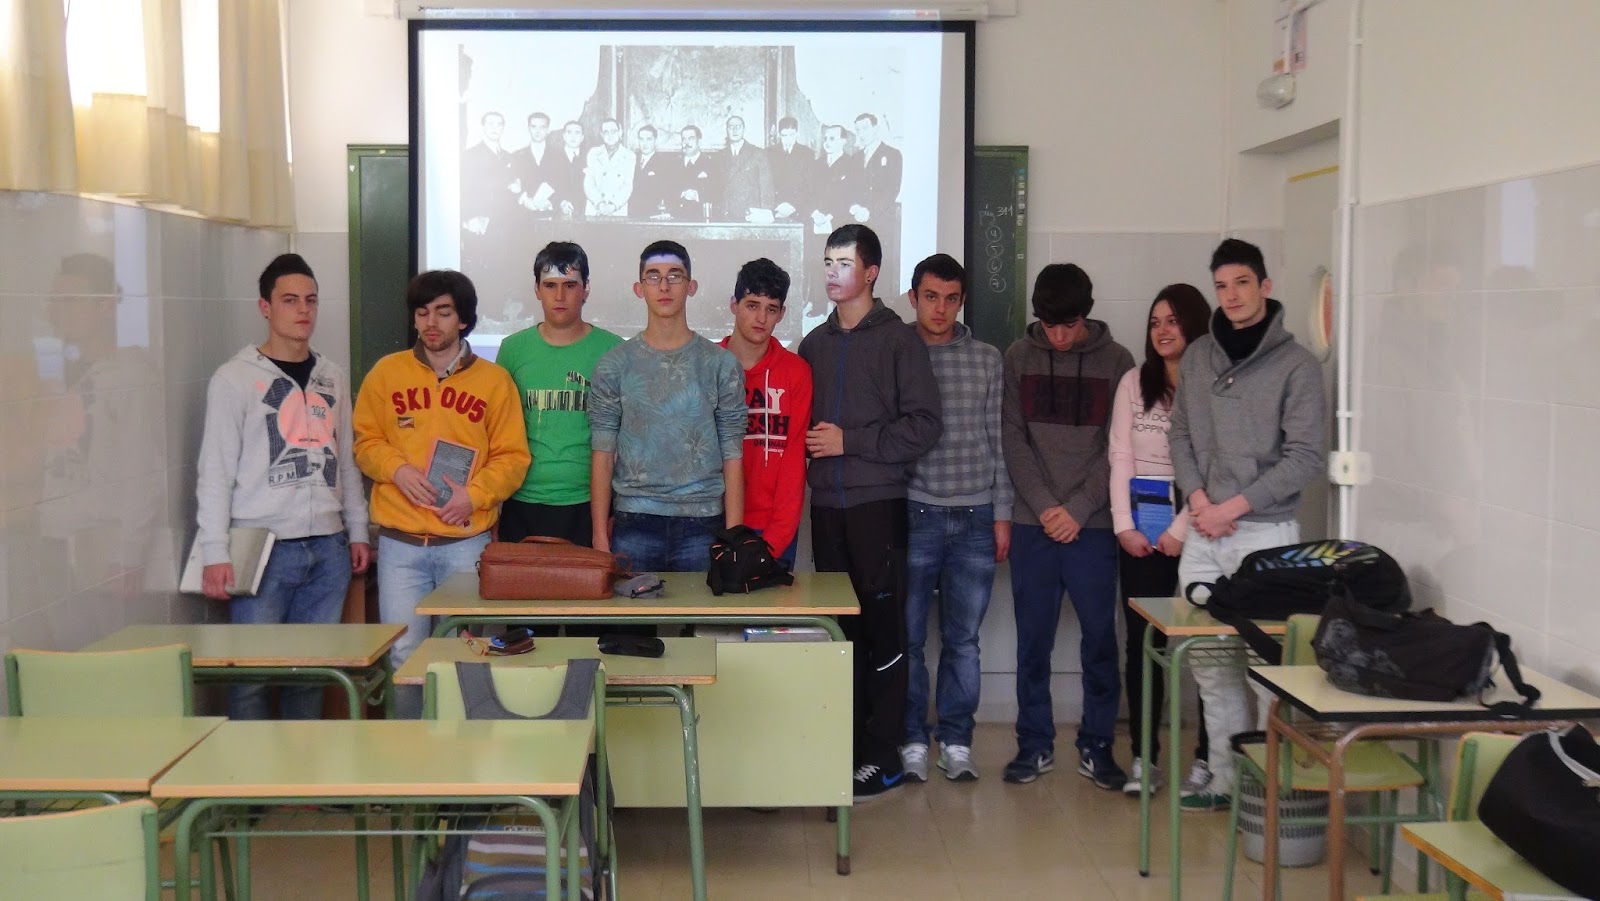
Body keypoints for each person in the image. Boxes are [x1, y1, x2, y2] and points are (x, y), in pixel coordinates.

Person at [1168, 238, 1326, 812]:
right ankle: (1224, 780)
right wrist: (1199, 500)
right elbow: (1180, 434)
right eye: (1221, 286)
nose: (1231, 296)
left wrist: (1230, 508)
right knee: (1210, 667)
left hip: (1263, 535)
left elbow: (1305, 457)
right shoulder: (1199, 356)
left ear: (1265, 286)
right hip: (1204, 531)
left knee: (1266, 671)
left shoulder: (1296, 365)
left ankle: (1267, 791)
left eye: (1241, 283)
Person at [799, 224, 942, 799]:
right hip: (825, 509)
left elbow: (925, 426)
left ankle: (884, 756)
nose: (833, 273)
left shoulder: (899, 341)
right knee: (840, 634)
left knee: (885, 633)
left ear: (872, 272)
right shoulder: (814, 343)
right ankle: (846, 748)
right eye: (827, 263)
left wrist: (849, 442)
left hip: (878, 507)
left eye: (844, 263)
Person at [196, 254, 371, 720]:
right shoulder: (235, 379)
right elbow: (215, 470)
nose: (303, 310)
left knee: (310, 676)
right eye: (290, 300)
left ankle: (300, 770)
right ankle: (247, 771)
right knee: (251, 677)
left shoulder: (331, 376)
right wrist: (214, 550)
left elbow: (346, 459)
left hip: (328, 548)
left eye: (311, 300)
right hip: (263, 548)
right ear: (265, 307)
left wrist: (357, 529)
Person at [353, 270, 530, 717]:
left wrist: (474, 495)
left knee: (464, 656)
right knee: (403, 656)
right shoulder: (386, 373)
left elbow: (513, 457)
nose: (431, 322)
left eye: (443, 312)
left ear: (464, 320)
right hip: (400, 545)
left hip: (465, 543)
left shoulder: (494, 382)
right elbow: (365, 442)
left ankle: (462, 752)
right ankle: (409, 752)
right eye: (423, 312)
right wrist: (397, 470)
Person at [1000, 263, 1135, 788]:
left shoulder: (1118, 362)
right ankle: (1033, 744)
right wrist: (1044, 507)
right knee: (1033, 642)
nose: (1058, 337)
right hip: (1033, 524)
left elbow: (1118, 448)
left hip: (1093, 526)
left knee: (1100, 640)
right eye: (1049, 325)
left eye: (1069, 326)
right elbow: (1014, 439)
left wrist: (1076, 510)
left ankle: (1097, 746)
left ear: (1086, 315)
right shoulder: (1018, 357)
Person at [897, 253, 1011, 783]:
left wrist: (1002, 513)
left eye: (950, 299)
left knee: (964, 639)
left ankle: (957, 740)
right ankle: (912, 738)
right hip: (914, 511)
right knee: (908, 639)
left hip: (975, 515)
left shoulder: (987, 358)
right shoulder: (896, 351)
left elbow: (999, 440)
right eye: (930, 297)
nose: (939, 309)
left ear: (962, 301)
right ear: (913, 297)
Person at [1107, 283, 1213, 797]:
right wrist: (1124, 525)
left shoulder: (1212, 383)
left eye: (1172, 321)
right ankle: (1144, 759)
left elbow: (1214, 464)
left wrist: (1180, 529)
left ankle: (1208, 760)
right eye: (1155, 322)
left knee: (1210, 646)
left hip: (1200, 524)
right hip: (1140, 528)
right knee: (1144, 643)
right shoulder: (1134, 381)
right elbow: (1119, 455)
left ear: (1194, 324)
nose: (1163, 331)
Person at [589, 241, 746, 571]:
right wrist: (600, 536)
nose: (664, 286)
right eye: (653, 276)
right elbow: (602, 453)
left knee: (700, 609)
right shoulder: (614, 365)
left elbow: (732, 454)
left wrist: (734, 537)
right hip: (634, 520)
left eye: (674, 275)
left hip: (703, 522)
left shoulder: (720, 364)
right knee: (630, 608)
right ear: (639, 288)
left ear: (691, 286)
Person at [496, 242, 623, 547]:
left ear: (586, 288)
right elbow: (496, 433)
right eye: (550, 285)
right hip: (521, 500)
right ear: (537, 290)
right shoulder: (512, 349)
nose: (560, 296)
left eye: (570, 285)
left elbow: (626, 435)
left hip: (589, 502)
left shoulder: (613, 349)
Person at [718, 258, 811, 565]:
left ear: (781, 314)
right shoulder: (707, 365)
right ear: (734, 305)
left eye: (771, 309)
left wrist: (774, 540)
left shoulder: (796, 372)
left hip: (772, 529)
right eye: (752, 305)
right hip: (710, 522)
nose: (761, 318)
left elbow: (794, 460)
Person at [460, 112, 520, 319]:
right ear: (483, 127)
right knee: (481, 266)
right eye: (491, 124)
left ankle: (495, 310)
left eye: (499, 124)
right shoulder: (471, 154)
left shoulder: (508, 156)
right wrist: (469, 217)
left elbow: (510, 188)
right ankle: (480, 311)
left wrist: (516, 188)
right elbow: (466, 188)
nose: (495, 128)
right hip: (479, 222)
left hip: (502, 220)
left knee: (500, 263)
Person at [719, 115, 774, 220]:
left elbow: (766, 186)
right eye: (731, 127)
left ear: (744, 129)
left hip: (750, 214)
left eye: (738, 127)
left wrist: (766, 213)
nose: (734, 130)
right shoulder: (720, 155)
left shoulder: (757, 153)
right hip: (726, 214)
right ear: (727, 130)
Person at [513, 112, 563, 219]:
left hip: (551, 216)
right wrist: (524, 200)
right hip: (523, 215)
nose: (537, 131)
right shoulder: (517, 156)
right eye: (534, 127)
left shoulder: (559, 156)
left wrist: (550, 202)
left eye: (542, 127)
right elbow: (513, 184)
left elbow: (563, 184)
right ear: (528, 128)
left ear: (548, 129)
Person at [583, 118, 635, 217]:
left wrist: (613, 205)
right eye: (606, 132)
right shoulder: (593, 153)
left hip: (617, 210)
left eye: (613, 131)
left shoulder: (629, 156)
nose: (610, 135)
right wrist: (599, 203)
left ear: (620, 132)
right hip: (595, 209)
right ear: (602, 135)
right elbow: (588, 183)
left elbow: (627, 186)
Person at [769, 116, 811, 223]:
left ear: (797, 133)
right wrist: (778, 206)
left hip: (799, 209)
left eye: (792, 135)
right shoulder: (769, 153)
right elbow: (767, 183)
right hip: (776, 208)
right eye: (784, 135)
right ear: (779, 135)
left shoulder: (807, 153)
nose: (788, 139)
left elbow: (809, 184)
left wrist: (794, 206)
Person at [672, 125, 720, 220]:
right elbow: (668, 192)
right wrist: (681, 194)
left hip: (702, 219)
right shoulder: (673, 164)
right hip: (677, 219)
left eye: (691, 139)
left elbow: (717, 193)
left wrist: (697, 195)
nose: (686, 143)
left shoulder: (711, 164)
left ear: (699, 142)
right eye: (684, 139)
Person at [633, 124, 675, 218]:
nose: (645, 143)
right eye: (641, 139)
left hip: (652, 215)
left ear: (655, 141)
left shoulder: (664, 163)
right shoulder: (631, 160)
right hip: (632, 213)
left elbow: (666, 192)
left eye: (649, 139)